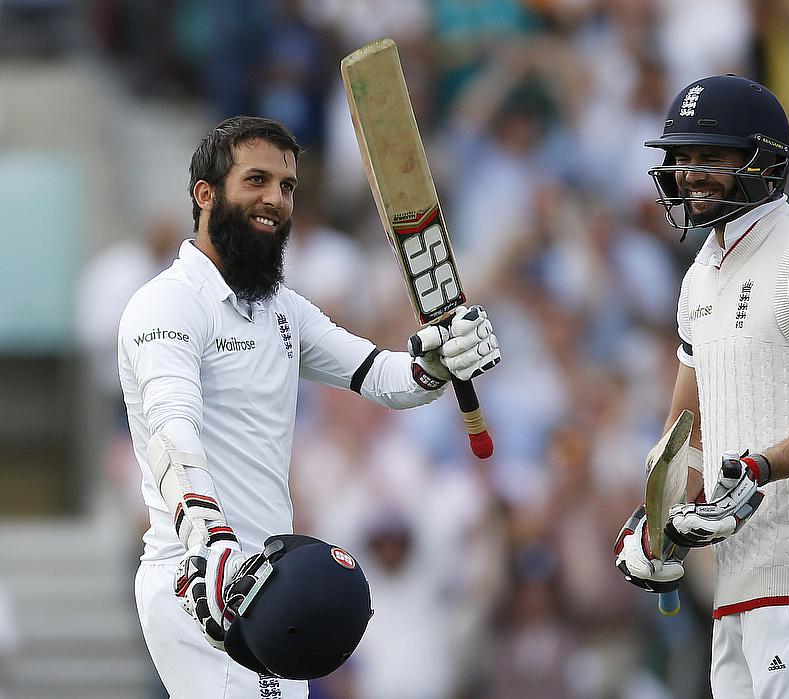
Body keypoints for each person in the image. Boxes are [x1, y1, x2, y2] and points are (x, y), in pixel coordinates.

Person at [117, 115, 501, 697]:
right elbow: (173, 429)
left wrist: (437, 362)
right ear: (205, 195)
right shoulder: (166, 306)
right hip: (197, 575)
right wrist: (212, 542)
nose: (275, 199)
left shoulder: (281, 310)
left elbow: (383, 376)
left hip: (269, 580)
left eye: (287, 187)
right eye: (256, 181)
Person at [613, 75, 789, 697]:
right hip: (740, 586)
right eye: (681, 158)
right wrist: (654, 525)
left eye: (712, 157)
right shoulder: (700, 275)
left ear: (766, 159)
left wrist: (757, 468)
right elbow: (689, 435)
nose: (690, 174)